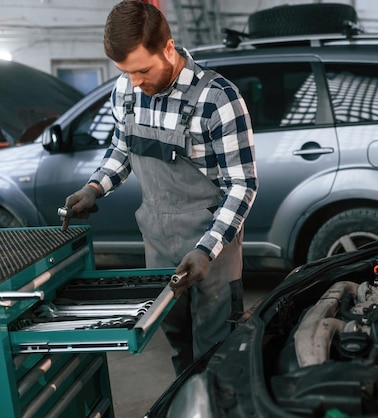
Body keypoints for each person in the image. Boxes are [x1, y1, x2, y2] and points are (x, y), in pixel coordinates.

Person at [63, 0, 258, 376]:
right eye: (126, 72)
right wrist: (95, 187)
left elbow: (242, 186)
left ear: (168, 49)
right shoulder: (127, 89)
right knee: (178, 344)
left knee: (215, 350)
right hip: (157, 243)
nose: (135, 81)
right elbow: (122, 148)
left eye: (142, 70)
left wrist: (205, 250)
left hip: (211, 249)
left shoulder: (218, 100)